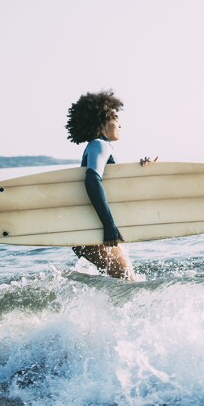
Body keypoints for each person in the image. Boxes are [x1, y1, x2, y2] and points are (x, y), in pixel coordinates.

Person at [65, 90, 155, 280]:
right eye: (114, 117)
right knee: (128, 281)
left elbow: (114, 186)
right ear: (102, 122)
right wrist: (109, 226)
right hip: (96, 230)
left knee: (123, 281)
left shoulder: (97, 146)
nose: (120, 123)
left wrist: (141, 169)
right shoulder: (100, 144)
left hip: (89, 229)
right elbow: (92, 179)